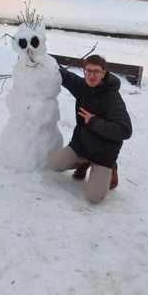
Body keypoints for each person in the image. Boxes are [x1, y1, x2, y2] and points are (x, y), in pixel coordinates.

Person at [48, 54, 132, 204]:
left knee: (94, 197)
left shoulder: (113, 98)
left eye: (96, 71)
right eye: (88, 71)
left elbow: (125, 130)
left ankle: (111, 168)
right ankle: (84, 162)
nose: (92, 75)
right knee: (53, 164)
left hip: (102, 155)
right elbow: (66, 76)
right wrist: (41, 56)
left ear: (103, 73)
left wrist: (94, 121)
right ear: (84, 71)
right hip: (81, 147)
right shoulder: (83, 87)